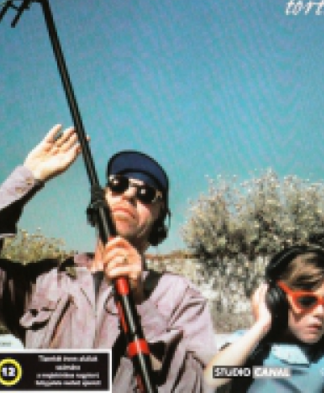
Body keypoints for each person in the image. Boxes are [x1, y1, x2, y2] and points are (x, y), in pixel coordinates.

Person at [0, 124, 217, 392]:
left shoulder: (179, 295)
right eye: (118, 184)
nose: (129, 195)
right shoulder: (44, 282)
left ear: (160, 216)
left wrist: (140, 304)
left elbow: (199, 386)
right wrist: (27, 178)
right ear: (100, 198)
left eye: (147, 194)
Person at [204, 244, 324, 392]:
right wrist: (262, 325)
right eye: (307, 300)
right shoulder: (251, 347)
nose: (320, 313)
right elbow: (211, 378)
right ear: (277, 300)